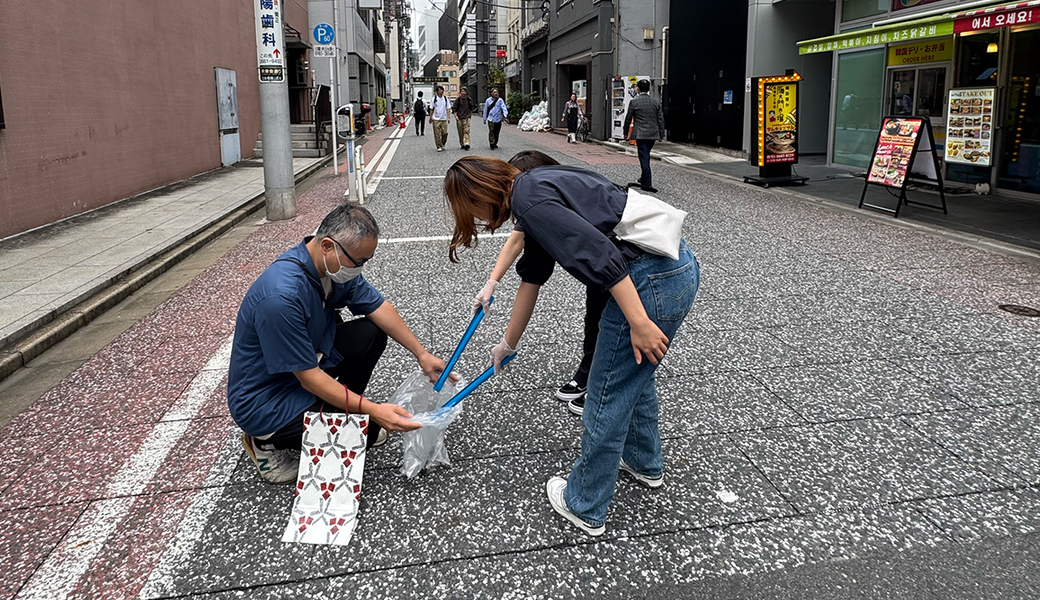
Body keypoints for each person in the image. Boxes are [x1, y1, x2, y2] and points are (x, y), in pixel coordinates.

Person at [443, 157, 700, 537]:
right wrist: (506, 345)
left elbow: (602, 257)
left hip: (647, 284)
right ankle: (645, 462)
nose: (476, 218)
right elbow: (531, 279)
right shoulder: (538, 186)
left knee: (605, 393)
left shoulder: (529, 201)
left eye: (469, 210)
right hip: (675, 264)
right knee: (634, 375)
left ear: (480, 195)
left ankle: (585, 503)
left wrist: (640, 321)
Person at [227, 204, 453, 484]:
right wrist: (372, 409)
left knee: (371, 333)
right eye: (358, 261)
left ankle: (338, 407)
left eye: (365, 261)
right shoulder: (280, 297)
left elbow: (378, 306)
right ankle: (262, 441)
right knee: (366, 432)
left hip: (302, 369)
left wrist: (422, 353)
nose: (359, 269)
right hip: (267, 401)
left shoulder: (329, 267)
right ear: (327, 245)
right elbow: (309, 378)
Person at [472, 150, 608, 415]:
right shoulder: (535, 208)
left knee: (614, 325)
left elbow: (609, 265)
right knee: (596, 316)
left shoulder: (544, 207)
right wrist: (492, 283)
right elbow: (520, 248)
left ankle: (602, 387)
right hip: (604, 272)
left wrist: (638, 320)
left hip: (624, 265)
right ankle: (591, 372)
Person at [623, 79, 665, 193]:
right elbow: (660, 119)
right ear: (648, 89)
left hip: (640, 134)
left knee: (644, 158)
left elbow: (628, 118)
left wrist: (625, 132)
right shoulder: (656, 102)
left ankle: (647, 184)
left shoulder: (634, 101)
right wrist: (662, 134)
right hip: (652, 134)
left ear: (638, 89)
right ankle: (643, 178)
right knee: (646, 155)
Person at [429, 86, 452, 152]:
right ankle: (439, 146)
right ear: (437, 91)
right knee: (437, 133)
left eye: (442, 90)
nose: (442, 91)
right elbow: (431, 109)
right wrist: (431, 118)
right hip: (436, 118)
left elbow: (448, 108)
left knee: (445, 133)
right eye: (440, 90)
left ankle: (442, 143)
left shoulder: (445, 99)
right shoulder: (434, 99)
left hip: (444, 118)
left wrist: (448, 117)